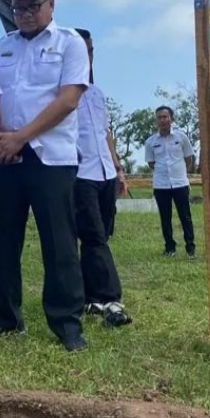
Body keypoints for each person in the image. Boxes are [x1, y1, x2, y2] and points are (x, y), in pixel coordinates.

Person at [0, 0, 90, 351]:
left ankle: (66, 322)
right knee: (2, 239)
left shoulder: (69, 43)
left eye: (33, 5)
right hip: (5, 157)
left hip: (51, 156)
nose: (25, 13)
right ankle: (7, 316)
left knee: (59, 243)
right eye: (18, 7)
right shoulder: (3, 47)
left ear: (51, 4)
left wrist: (20, 136)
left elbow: (68, 100)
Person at [73, 28, 130, 327]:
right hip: (79, 174)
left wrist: (118, 169)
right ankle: (111, 299)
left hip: (105, 172)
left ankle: (89, 297)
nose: (87, 57)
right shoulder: (61, 92)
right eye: (81, 51)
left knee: (100, 236)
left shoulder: (97, 94)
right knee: (94, 236)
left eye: (90, 51)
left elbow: (106, 134)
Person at [144, 106, 195, 257]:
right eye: (159, 117)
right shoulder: (150, 142)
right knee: (165, 218)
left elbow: (188, 158)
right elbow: (151, 163)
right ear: (156, 120)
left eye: (165, 117)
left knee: (185, 216)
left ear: (171, 119)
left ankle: (190, 248)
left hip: (180, 183)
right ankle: (170, 247)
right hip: (161, 185)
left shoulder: (181, 137)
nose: (162, 120)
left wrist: (179, 172)